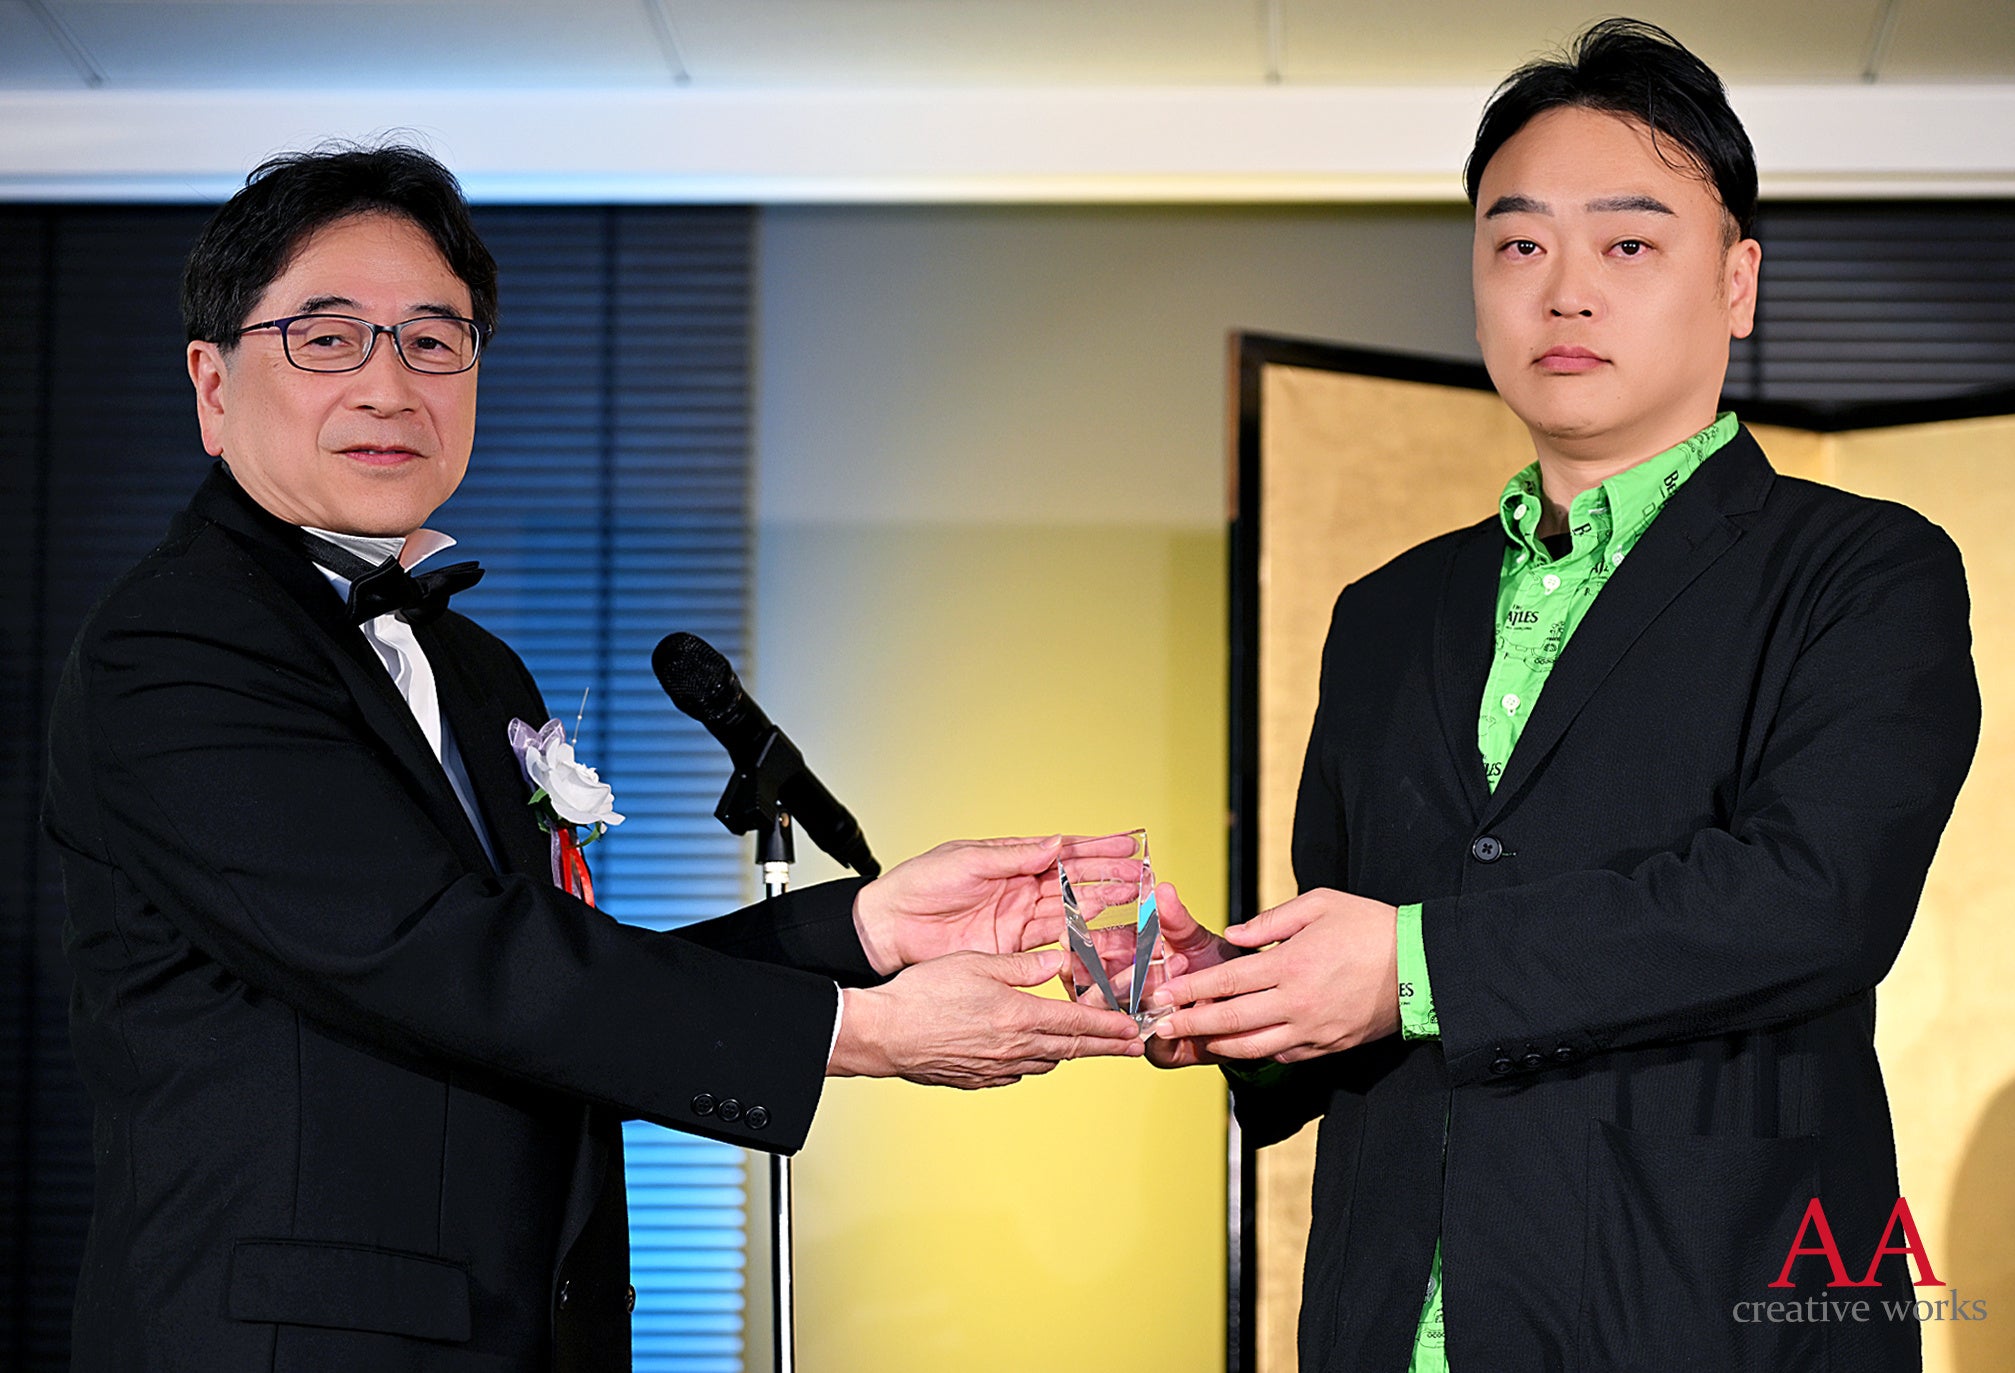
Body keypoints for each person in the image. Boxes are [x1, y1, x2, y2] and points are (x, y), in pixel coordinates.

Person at [41, 143, 1144, 1372]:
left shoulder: (479, 669)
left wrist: (864, 930)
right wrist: (856, 1030)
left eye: (432, 340)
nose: (388, 386)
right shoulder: (177, 640)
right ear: (212, 385)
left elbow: (549, 980)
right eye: (328, 338)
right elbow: (436, 955)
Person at [1147, 19, 1979, 1373]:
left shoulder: (1860, 570)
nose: (1564, 293)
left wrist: (1408, 965)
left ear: (1737, 282)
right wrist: (1234, 1000)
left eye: (1628, 244)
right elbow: (1369, 961)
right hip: (1394, 1320)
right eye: (1518, 246)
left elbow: (1809, 899)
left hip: (1703, 1317)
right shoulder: (1384, 613)